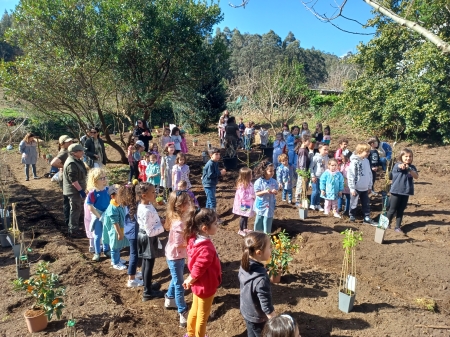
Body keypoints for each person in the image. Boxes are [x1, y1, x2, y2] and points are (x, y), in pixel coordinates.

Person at [182, 208, 222, 337]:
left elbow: (197, 266)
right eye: (215, 224)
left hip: (198, 284)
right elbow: (200, 266)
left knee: (194, 309)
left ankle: (190, 333)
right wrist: (191, 278)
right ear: (205, 228)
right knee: (203, 316)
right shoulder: (207, 248)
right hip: (206, 285)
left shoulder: (193, 238)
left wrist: (191, 279)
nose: (218, 225)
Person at [164, 191, 193, 327]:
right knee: (180, 284)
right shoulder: (178, 224)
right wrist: (190, 243)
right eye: (187, 202)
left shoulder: (178, 218)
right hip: (175, 256)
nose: (190, 204)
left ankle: (169, 299)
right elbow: (177, 243)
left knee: (177, 278)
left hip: (177, 255)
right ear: (181, 206)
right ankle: (182, 312)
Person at [239, 231, 276, 337]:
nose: (271, 250)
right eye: (269, 247)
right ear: (259, 253)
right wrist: (275, 321)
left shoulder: (244, 264)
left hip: (246, 310)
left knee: (251, 332)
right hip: (258, 317)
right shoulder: (261, 279)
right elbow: (266, 306)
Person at [136, 182, 165, 300]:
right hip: (147, 238)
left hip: (143, 235)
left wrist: (160, 221)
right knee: (149, 264)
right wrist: (164, 227)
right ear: (144, 195)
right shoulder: (146, 211)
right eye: (152, 192)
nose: (155, 194)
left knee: (145, 263)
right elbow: (150, 232)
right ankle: (147, 292)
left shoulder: (146, 205)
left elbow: (152, 222)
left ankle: (147, 285)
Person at [118, 180, 144, 288]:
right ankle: (131, 280)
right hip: (134, 233)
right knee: (134, 255)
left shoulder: (126, 203)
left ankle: (133, 273)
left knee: (134, 254)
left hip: (129, 231)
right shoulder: (135, 205)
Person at [387, 148, 418, 233]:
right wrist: (403, 166)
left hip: (406, 192)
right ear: (401, 157)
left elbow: (416, 176)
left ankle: (397, 227)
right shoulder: (397, 165)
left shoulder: (412, 167)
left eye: (410, 156)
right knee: (392, 209)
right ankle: (386, 224)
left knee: (401, 210)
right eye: (406, 156)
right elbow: (400, 167)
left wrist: (409, 169)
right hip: (396, 191)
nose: (408, 158)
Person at [348, 144, 377, 225]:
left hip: (365, 188)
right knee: (353, 203)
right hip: (356, 187)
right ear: (360, 152)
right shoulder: (354, 162)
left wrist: (369, 186)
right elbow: (351, 175)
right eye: (366, 151)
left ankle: (367, 217)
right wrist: (352, 188)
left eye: (369, 151)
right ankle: (352, 215)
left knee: (366, 203)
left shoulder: (367, 161)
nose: (368, 153)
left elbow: (369, 174)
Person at [101, 184, 129, 270]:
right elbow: (115, 223)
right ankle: (115, 262)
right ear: (113, 196)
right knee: (115, 246)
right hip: (115, 230)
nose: (123, 196)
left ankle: (117, 259)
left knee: (118, 246)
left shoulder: (119, 204)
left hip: (119, 228)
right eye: (121, 195)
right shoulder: (113, 208)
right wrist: (119, 233)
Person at [86, 168, 111, 261]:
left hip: (107, 215)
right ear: (95, 180)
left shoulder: (108, 190)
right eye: (101, 178)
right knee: (97, 235)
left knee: (107, 233)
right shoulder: (93, 193)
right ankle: (97, 253)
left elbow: (113, 200)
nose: (104, 180)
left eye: (105, 177)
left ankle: (106, 249)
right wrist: (99, 216)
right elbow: (90, 206)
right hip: (98, 216)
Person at [63, 143, 88, 237]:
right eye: (81, 151)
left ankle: (74, 228)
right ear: (74, 153)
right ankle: (73, 230)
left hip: (76, 190)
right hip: (74, 191)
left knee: (76, 209)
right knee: (75, 209)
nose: (83, 152)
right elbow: (73, 180)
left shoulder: (76, 160)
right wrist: (81, 191)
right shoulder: (72, 163)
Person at [50, 135, 74, 227]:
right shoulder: (64, 152)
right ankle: (68, 220)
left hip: (65, 177)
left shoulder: (67, 151)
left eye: (71, 141)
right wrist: (65, 167)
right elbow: (53, 163)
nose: (70, 143)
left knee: (68, 199)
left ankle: (69, 219)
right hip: (64, 178)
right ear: (62, 144)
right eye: (68, 142)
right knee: (67, 199)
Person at [253, 160, 278, 234]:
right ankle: (257, 234)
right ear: (264, 171)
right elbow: (257, 193)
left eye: (273, 170)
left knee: (268, 220)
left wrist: (275, 191)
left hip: (269, 205)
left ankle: (267, 235)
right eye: (270, 171)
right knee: (259, 219)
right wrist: (265, 191)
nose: (272, 172)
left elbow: (276, 191)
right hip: (262, 205)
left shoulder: (274, 181)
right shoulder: (258, 182)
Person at [233, 167, 256, 237]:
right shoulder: (242, 185)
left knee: (246, 216)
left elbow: (253, 190)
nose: (252, 176)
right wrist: (251, 196)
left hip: (247, 204)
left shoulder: (249, 183)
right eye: (251, 175)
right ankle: (240, 230)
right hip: (243, 204)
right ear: (246, 176)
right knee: (243, 217)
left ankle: (245, 228)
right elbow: (243, 196)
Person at [202, 148, 226, 212]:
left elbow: (215, 171)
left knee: (209, 200)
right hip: (208, 184)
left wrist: (220, 172)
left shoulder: (215, 162)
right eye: (216, 154)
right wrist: (220, 173)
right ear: (211, 155)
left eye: (219, 154)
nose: (218, 156)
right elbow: (210, 175)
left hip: (212, 183)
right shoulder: (210, 164)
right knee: (212, 201)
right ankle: (214, 217)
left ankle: (206, 214)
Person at [309, 144, 329, 211]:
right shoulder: (315, 157)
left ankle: (318, 204)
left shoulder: (327, 158)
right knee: (315, 191)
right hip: (316, 177)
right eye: (324, 149)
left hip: (323, 178)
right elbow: (311, 167)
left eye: (327, 149)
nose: (326, 151)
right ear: (319, 149)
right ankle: (312, 204)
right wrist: (312, 176)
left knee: (320, 191)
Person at [294, 134, 311, 206]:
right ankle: (297, 201)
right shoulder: (303, 151)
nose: (310, 143)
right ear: (304, 141)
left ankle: (300, 199)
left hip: (302, 171)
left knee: (301, 185)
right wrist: (304, 173)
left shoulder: (303, 150)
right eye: (308, 141)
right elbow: (302, 163)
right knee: (300, 185)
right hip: (302, 172)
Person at [337, 150, 352, 215]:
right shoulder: (342, 165)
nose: (342, 159)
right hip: (342, 183)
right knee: (340, 195)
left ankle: (347, 210)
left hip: (348, 183)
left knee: (348, 197)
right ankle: (339, 207)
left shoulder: (350, 165)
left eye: (343, 158)